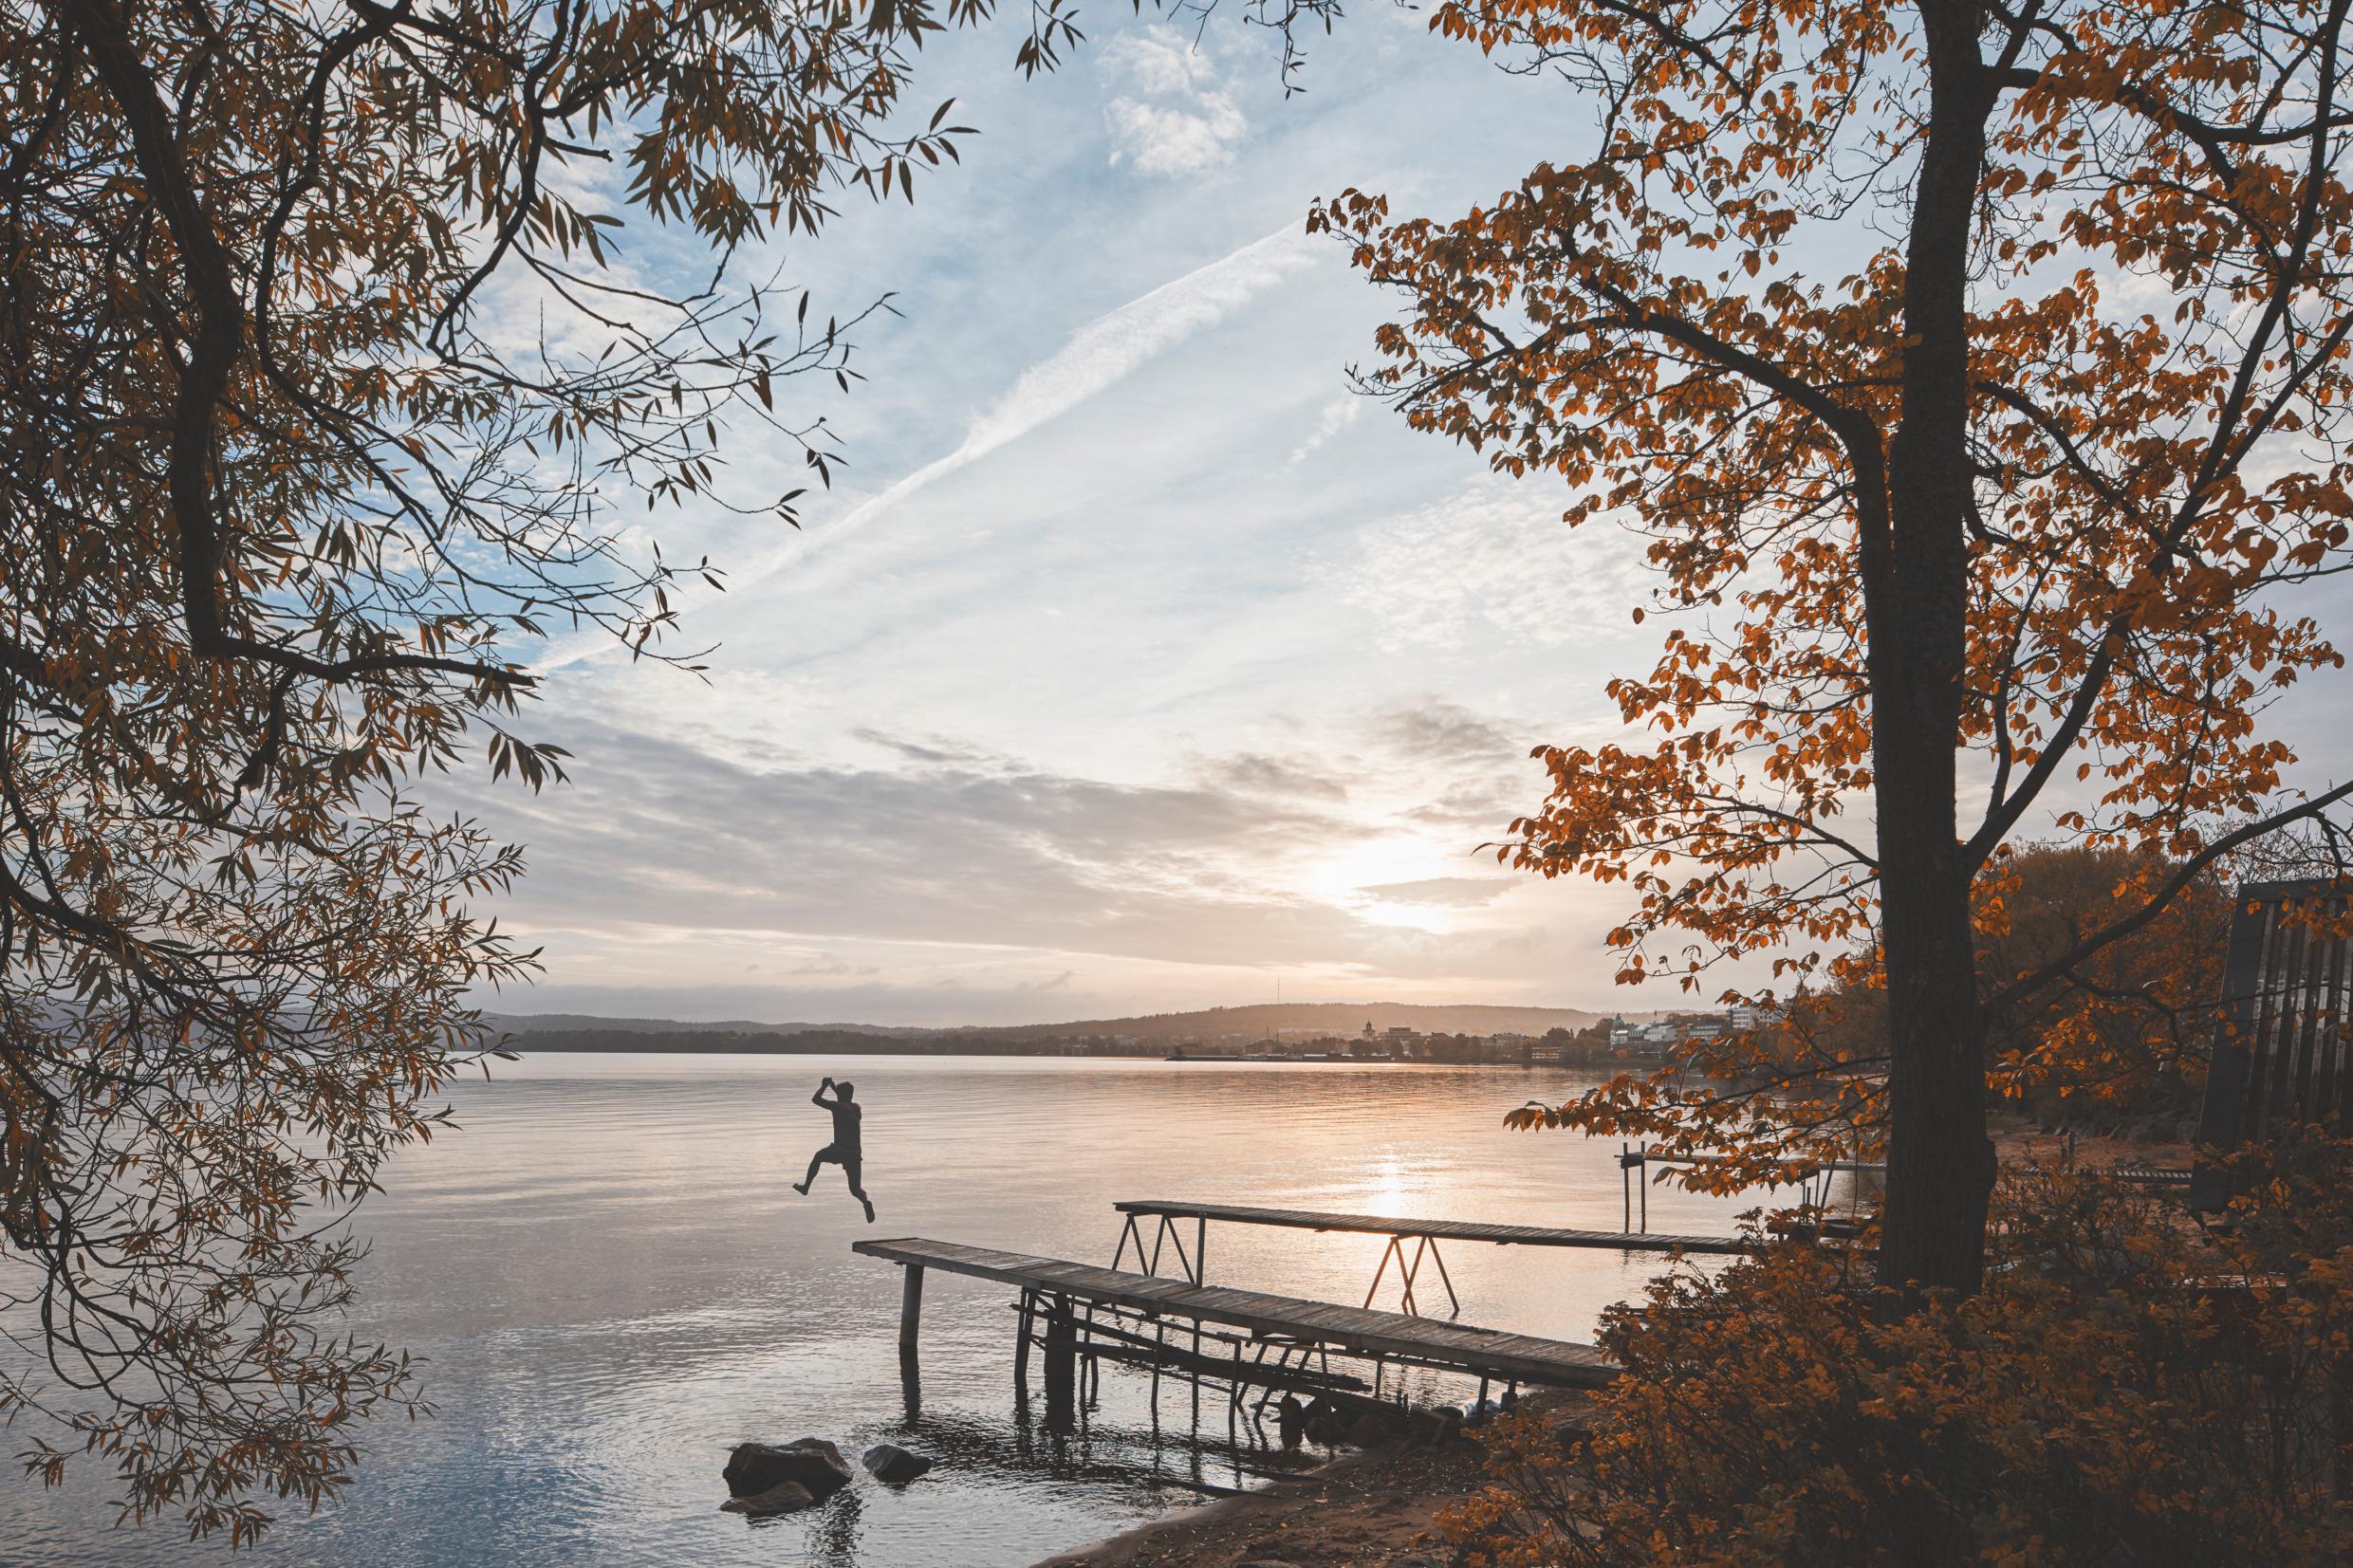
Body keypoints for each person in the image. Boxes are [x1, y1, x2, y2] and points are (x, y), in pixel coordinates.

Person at [793, 1076, 874, 1222]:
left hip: (841, 1150)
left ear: (840, 1096)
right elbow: (843, 1099)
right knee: (856, 1190)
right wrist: (834, 1088)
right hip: (855, 1153)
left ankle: (806, 1187)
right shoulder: (856, 1108)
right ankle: (866, 1202)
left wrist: (824, 1086)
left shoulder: (838, 1107)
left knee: (818, 1156)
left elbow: (816, 1100)